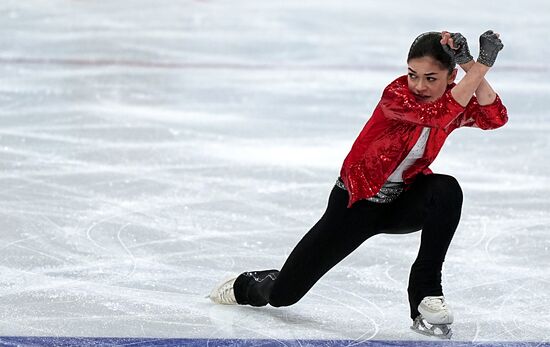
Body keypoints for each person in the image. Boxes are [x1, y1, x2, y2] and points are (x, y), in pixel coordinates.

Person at [208, 30, 507, 339]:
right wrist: (483, 64)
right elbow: (435, 114)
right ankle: (251, 285)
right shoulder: (397, 95)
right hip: (354, 207)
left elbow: (494, 116)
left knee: (446, 190)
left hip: (401, 203)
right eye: (413, 74)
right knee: (283, 296)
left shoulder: (451, 101)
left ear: (451, 75)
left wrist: (472, 63)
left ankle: (426, 294)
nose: (418, 85)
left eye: (431, 78)